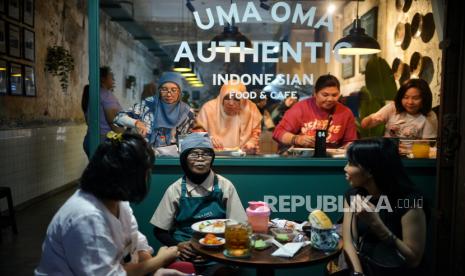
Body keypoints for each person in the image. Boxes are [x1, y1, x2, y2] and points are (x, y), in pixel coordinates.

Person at [35, 131, 189, 276]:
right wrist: (161, 259)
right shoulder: (86, 217)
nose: (147, 177)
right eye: (146, 172)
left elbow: (137, 243)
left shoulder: (118, 202)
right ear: (128, 176)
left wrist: (154, 269)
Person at [151, 132, 247, 264]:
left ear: (212, 159)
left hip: (218, 251)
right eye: (194, 154)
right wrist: (178, 246)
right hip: (185, 252)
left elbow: (239, 226)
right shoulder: (176, 189)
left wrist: (216, 249)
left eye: (206, 154)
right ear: (184, 159)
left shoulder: (225, 186)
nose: (200, 159)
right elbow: (159, 230)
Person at [342, 138, 426, 276]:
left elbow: (413, 260)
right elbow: (349, 241)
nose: (345, 168)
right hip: (366, 268)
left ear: (369, 171)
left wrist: (376, 224)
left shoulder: (409, 202)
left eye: (351, 163)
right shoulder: (354, 196)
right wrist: (358, 273)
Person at [272, 74, 357, 148]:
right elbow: (278, 133)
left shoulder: (346, 113)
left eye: (334, 95)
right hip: (302, 159)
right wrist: (297, 139)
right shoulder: (300, 108)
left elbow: (350, 142)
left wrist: (349, 146)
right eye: (325, 95)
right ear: (315, 93)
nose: (330, 99)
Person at [114, 72, 195, 149]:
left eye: (174, 90)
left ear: (179, 92)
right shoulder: (146, 106)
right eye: (164, 89)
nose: (169, 94)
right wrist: (136, 123)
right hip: (146, 156)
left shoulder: (186, 113)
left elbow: (185, 142)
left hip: (173, 158)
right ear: (159, 91)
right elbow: (118, 118)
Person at [196, 81, 262, 154]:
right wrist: (208, 138)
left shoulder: (251, 108)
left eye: (236, 98)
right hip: (214, 154)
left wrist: (251, 143)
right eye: (227, 98)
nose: (231, 103)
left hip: (243, 154)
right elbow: (197, 132)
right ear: (222, 96)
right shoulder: (208, 108)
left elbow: (256, 131)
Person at [361, 78, 438, 139]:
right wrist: (371, 119)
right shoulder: (393, 107)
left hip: (413, 156)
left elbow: (426, 145)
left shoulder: (429, 115)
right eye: (405, 97)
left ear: (424, 98)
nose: (410, 102)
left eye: (415, 98)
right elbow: (364, 125)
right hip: (389, 153)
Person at [82, 67, 123, 158]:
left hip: (90, 139)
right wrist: (126, 138)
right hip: (104, 141)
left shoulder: (93, 94)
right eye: (111, 76)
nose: (113, 79)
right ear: (103, 79)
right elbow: (113, 122)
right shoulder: (106, 95)